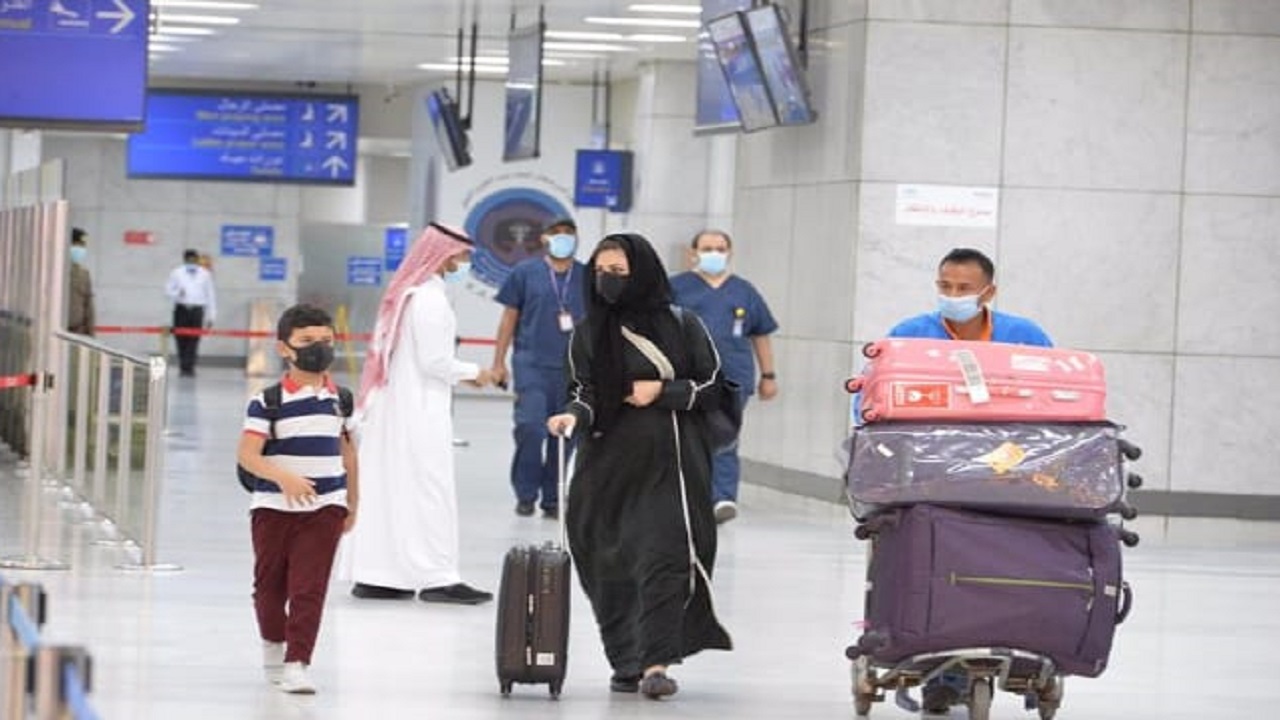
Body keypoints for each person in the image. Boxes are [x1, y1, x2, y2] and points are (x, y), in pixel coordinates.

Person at [547, 233, 733, 700]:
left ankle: (656, 663)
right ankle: (626, 661)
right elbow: (582, 391)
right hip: (607, 467)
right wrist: (572, 416)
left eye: (619, 272)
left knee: (664, 558)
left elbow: (714, 385)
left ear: (643, 273)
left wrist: (663, 391)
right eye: (600, 273)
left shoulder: (683, 325)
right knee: (608, 560)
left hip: (671, 464)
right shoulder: (589, 334)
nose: (608, 281)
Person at [882, 247, 1051, 715]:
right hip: (931, 473)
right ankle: (946, 673)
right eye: (945, 286)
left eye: (963, 289)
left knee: (1010, 562)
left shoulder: (1024, 337)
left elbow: (1053, 401)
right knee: (937, 565)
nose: (952, 295)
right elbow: (873, 397)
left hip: (1007, 471)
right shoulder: (910, 335)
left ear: (988, 293)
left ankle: (1021, 650)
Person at [339, 223, 495, 605]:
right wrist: (476, 372)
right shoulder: (430, 300)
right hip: (418, 410)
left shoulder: (412, 294)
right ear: (445, 256)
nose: (466, 262)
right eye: (463, 255)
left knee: (391, 488)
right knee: (430, 489)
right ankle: (438, 578)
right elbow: (434, 361)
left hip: (395, 408)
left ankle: (379, 576)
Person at [236, 303, 359, 695]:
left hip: (326, 507)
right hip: (272, 508)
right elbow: (248, 455)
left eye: (326, 340)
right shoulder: (267, 402)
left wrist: (352, 502)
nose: (318, 348)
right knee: (269, 587)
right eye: (307, 340)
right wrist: (284, 478)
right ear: (284, 348)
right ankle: (273, 647)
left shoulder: (341, 399)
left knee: (310, 587)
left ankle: (298, 663)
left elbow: (348, 453)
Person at [669, 230, 778, 524]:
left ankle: (722, 497)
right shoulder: (676, 288)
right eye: (707, 248)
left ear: (730, 252)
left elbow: (761, 334)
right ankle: (688, 497)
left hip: (733, 376)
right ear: (693, 253)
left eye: (720, 248)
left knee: (725, 435)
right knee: (687, 438)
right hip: (687, 378)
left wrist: (768, 375)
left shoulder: (744, 291)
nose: (714, 254)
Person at [490, 217, 587, 518]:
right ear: (544, 238)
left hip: (573, 368)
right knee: (530, 427)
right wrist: (498, 363)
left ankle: (553, 497)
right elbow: (509, 319)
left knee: (566, 433)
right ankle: (526, 492)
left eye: (569, 233)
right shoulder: (525, 273)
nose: (563, 238)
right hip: (531, 364)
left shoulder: (586, 277)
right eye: (556, 233)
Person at [164, 249, 217, 377]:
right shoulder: (176, 273)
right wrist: (177, 293)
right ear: (185, 260)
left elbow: (210, 295)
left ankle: (190, 367)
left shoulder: (205, 274)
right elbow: (167, 291)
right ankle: (183, 366)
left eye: (194, 260)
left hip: (197, 310)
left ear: (197, 260)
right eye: (189, 261)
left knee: (194, 339)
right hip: (181, 309)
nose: (191, 263)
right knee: (180, 339)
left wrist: (212, 316)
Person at [67, 227, 95, 336]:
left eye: (82, 246)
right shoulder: (54, 272)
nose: (81, 249)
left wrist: (90, 334)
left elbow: (88, 308)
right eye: (77, 245)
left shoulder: (83, 274)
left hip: (77, 332)